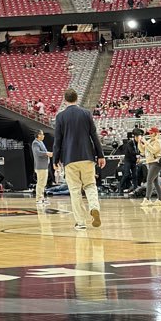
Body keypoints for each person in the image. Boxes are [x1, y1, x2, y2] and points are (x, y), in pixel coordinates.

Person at [53, 88, 104, 230]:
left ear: (65, 100)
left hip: (69, 158)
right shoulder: (86, 113)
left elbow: (57, 140)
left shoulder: (60, 117)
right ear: (77, 98)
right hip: (87, 156)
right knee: (90, 185)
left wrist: (55, 160)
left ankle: (80, 222)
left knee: (75, 190)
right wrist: (100, 155)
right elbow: (94, 135)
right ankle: (94, 208)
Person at [31, 130, 54, 205]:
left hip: (44, 166)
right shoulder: (35, 143)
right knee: (40, 183)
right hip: (40, 167)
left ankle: (42, 198)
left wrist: (47, 154)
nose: (44, 136)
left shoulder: (41, 142)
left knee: (43, 184)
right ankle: (38, 199)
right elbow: (37, 152)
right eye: (42, 134)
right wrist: (47, 153)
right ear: (38, 135)